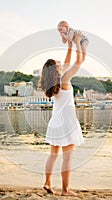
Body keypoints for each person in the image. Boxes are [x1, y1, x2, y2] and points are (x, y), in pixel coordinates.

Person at [38, 32, 84, 196]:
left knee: (53, 154)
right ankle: (65, 190)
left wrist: (70, 46)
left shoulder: (52, 83)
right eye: (58, 63)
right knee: (67, 158)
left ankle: (47, 182)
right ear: (56, 69)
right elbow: (79, 61)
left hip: (55, 122)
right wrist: (78, 42)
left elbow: (67, 61)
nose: (61, 63)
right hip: (67, 122)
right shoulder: (64, 80)